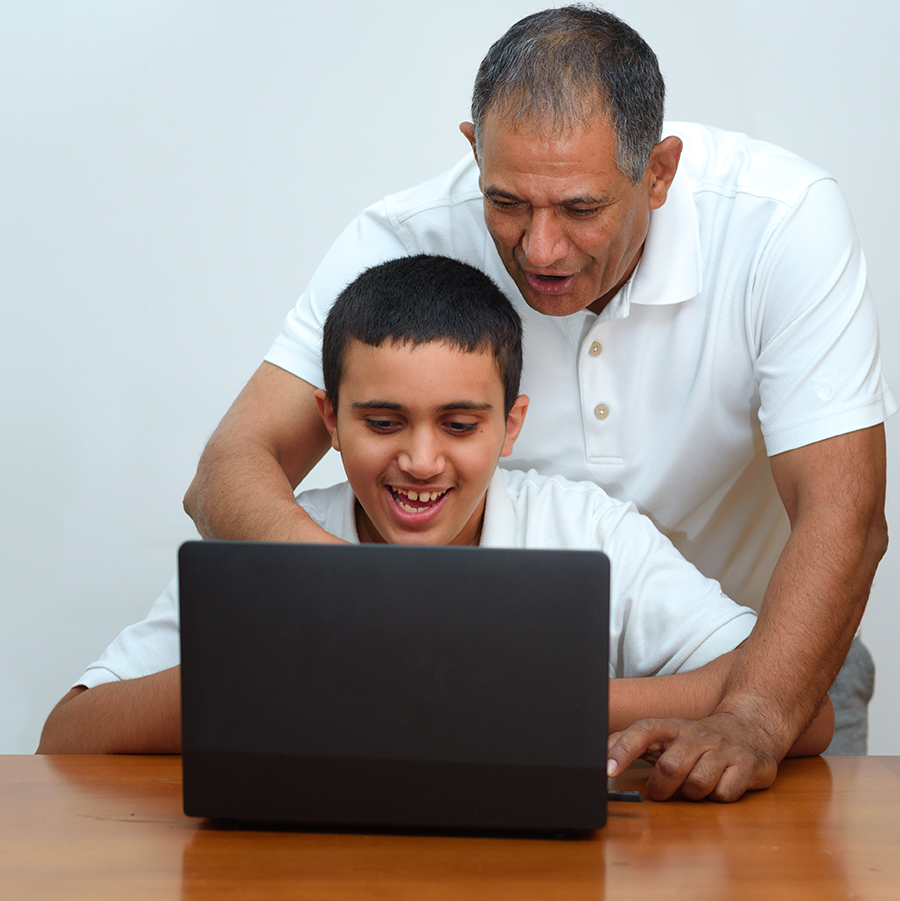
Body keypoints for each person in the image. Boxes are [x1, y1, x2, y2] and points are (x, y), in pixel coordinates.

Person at [182, 7, 891, 798]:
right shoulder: (403, 235)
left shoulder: (782, 222)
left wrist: (758, 713)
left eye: (581, 210)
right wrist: (360, 606)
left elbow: (846, 512)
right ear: (472, 149)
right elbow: (226, 468)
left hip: (760, 667)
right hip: (465, 685)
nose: (541, 248)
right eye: (507, 203)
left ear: (659, 173)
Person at [37, 255, 833, 782]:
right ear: (329, 415)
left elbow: (808, 708)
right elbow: (68, 736)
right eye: (382, 422)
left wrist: (532, 699)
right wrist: (282, 682)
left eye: (460, 424)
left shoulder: (589, 530)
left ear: (512, 424)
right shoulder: (269, 545)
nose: (421, 461)